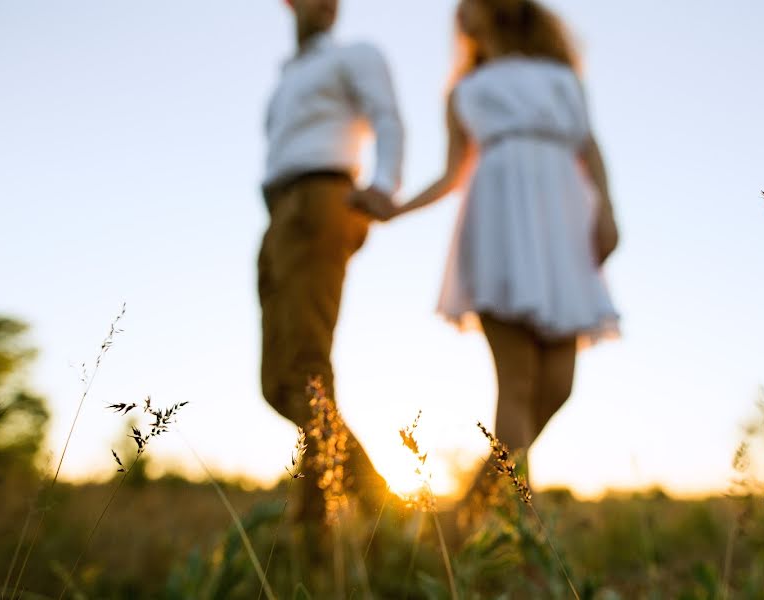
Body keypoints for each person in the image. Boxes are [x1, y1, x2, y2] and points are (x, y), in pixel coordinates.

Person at [383, 0, 620, 504]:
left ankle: (470, 510)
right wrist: (398, 210)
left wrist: (608, 212)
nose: (461, 13)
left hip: (562, 232)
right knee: (516, 382)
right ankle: (515, 530)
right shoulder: (464, 91)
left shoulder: (559, 78)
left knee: (558, 383)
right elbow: (451, 175)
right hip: (497, 230)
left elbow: (589, 146)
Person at [258, 0, 404, 520]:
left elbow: (386, 115)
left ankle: (349, 526)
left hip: (323, 201)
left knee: (304, 370)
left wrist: (384, 183)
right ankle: (352, 516)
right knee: (278, 384)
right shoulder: (289, 76)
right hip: (280, 214)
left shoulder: (354, 55)